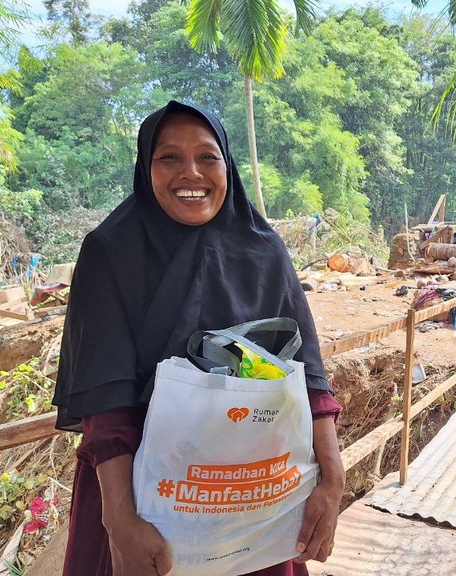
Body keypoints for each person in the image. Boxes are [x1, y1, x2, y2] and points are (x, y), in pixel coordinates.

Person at [52, 100, 345, 576]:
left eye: (208, 157)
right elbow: (104, 400)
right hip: (143, 500)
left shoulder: (263, 250)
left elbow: (308, 375)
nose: (191, 173)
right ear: (146, 167)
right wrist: (120, 519)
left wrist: (331, 481)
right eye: (169, 157)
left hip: (253, 492)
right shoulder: (111, 253)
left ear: (227, 165)